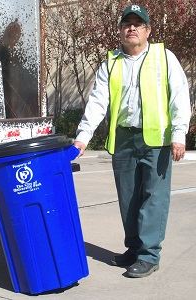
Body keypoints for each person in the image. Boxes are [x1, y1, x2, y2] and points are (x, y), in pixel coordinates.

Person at [74, 4, 191, 278]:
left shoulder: (164, 58)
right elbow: (98, 101)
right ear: (120, 30)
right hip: (124, 139)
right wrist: (82, 138)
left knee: (154, 198)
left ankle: (149, 255)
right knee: (128, 199)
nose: (132, 28)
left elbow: (179, 97)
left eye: (138, 24)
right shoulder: (111, 62)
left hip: (157, 140)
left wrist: (178, 135)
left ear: (148, 30)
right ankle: (134, 249)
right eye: (127, 23)